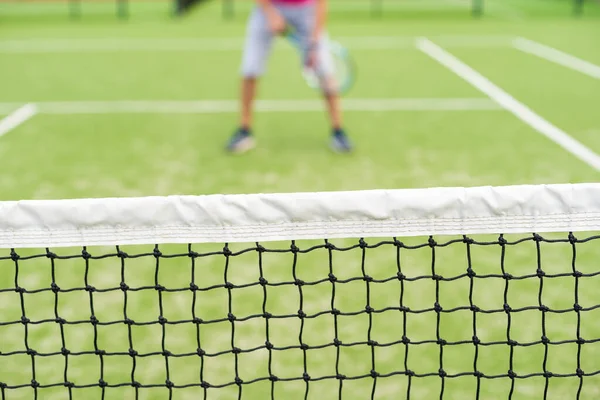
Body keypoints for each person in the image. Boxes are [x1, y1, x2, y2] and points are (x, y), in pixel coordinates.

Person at [226, 0, 352, 153]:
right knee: (250, 69)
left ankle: (338, 131)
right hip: (268, 5)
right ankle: (244, 130)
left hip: (306, 9)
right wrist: (270, 13)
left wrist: (313, 43)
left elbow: (321, 3)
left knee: (325, 70)